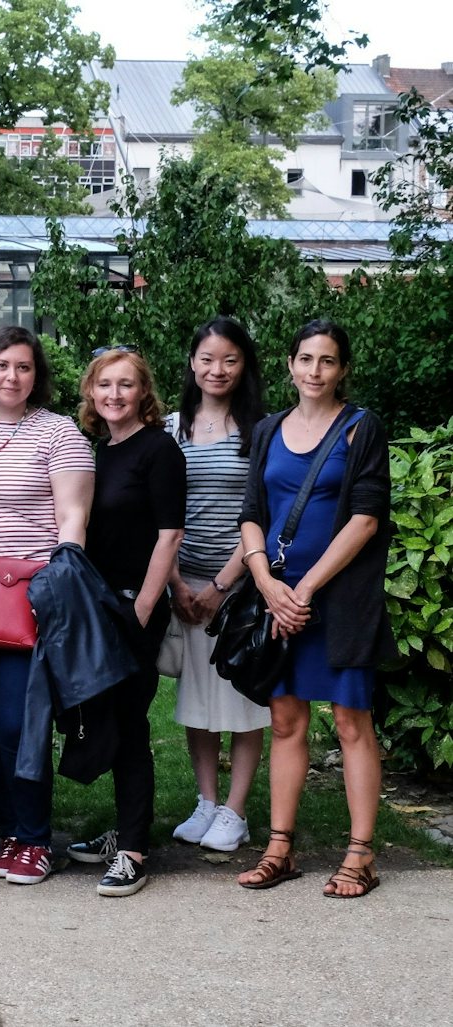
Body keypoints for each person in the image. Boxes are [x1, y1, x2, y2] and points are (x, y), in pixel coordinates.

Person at [236, 319, 393, 898]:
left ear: (343, 369)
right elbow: (252, 511)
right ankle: (280, 848)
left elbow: (367, 517)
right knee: (285, 721)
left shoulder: (360, 428)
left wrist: (304, 591)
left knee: (352, 721)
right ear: (290, 364)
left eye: (327, 361)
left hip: (341, 601)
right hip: (279, 599)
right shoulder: (269, 430)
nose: (315, 371)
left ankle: (361, 855)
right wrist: (268, 584)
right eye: (305, 359)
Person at [0, 326, 94, 885]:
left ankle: (34, 837)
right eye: (3, 366)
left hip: (28, 596)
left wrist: (60, 585)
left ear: (38, 375)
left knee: (19, 722)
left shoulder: (58, 434)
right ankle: (13, 832)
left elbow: (73, 518)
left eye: (24, 367)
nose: (13, 377)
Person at [66, 349, 185, 897]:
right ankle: (126, 829)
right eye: (104, 385)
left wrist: (141, 610)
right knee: (109, 718)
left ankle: (134, 850)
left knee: (130, 724)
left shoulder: (159, 450)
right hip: (98, 604)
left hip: (135, 606)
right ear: (91, 393)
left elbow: (169, 535)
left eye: (126, 385)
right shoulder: (99, 450)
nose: (114, 394)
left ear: (144, 393)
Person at [165, 318, 270, 852]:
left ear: (243, 364)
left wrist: (224, 585)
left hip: (243, 584)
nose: (217, 369)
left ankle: (236, 810)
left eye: (229, 359)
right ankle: (206, 802)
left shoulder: (262, 431)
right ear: (192, 362)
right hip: (182, 586)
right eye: (207, 358)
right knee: (198, 700)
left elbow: (263, 511)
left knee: (243, 699)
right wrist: (177, 583)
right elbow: (158, 510)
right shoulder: (170, 428)